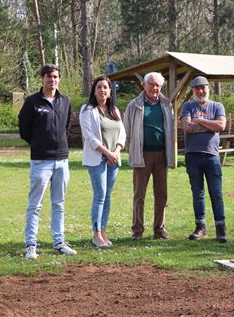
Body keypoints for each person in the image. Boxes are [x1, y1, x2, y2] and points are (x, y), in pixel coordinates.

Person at [18, 64, 76, 259]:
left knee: (59, 203)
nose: (53, 80)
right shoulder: (32, 102)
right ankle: (30, 245)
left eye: (56, 77)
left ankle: (59, 242)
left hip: (61, 161)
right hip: (40, 161)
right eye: (49, 77)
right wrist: (38, 143)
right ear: (42, 78)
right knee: (35, 205)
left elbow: (67, 125)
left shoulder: (65, 101)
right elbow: (24, 129)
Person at [123, 72, 175, 240]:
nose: (155, 88)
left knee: (161, 194)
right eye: (152, 84)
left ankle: (159, 230)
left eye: (158, 85)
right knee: (139, 195)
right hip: (142, 154)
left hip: (161, 155)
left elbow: (171, 130)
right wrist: (129, 149)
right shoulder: (134, 105)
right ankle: (137, 231)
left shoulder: (167, 105)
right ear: (144, 85)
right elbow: (126, 129)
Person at [79, 76, 126, 248]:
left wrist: (116, 152)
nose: (102, 90)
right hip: (97, 159)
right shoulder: (87, 110)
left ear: (110, 90)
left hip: (113, 159)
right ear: (94, 90)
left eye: (105, 87)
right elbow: (89, 137)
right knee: (99, 196)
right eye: (99, 87)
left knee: (107, 196)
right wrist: (107, 152)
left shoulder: (115, 111)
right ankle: (96, 234)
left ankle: (104, 231)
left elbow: (122, 134)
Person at [180, 76, 228, 243]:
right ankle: (200, 227)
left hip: (212, 156)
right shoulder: (187, 106)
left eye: (203, 87)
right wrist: (210, 125)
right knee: (198, 193)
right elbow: (187, 127)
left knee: (216, 193)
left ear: (209, 88)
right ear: (193, 91)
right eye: (196, 88)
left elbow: (221, 126)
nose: (200, 91)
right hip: (193, 155)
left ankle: (221, 229)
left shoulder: (217, 106)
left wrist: (199, 120)